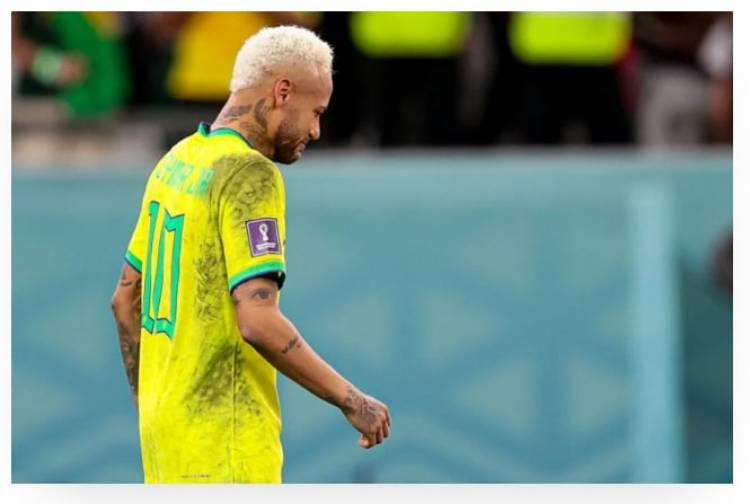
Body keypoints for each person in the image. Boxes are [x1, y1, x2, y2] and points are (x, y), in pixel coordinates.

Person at [110, 25, 391, 484]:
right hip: (228, 443)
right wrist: (351, 400)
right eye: (316, 111)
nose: (316, 130)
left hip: (165, 442)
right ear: (283, 92)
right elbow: (258, 320)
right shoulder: (249, 174)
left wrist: (152, 403)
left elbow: (125, 300)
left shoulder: (177, 162)